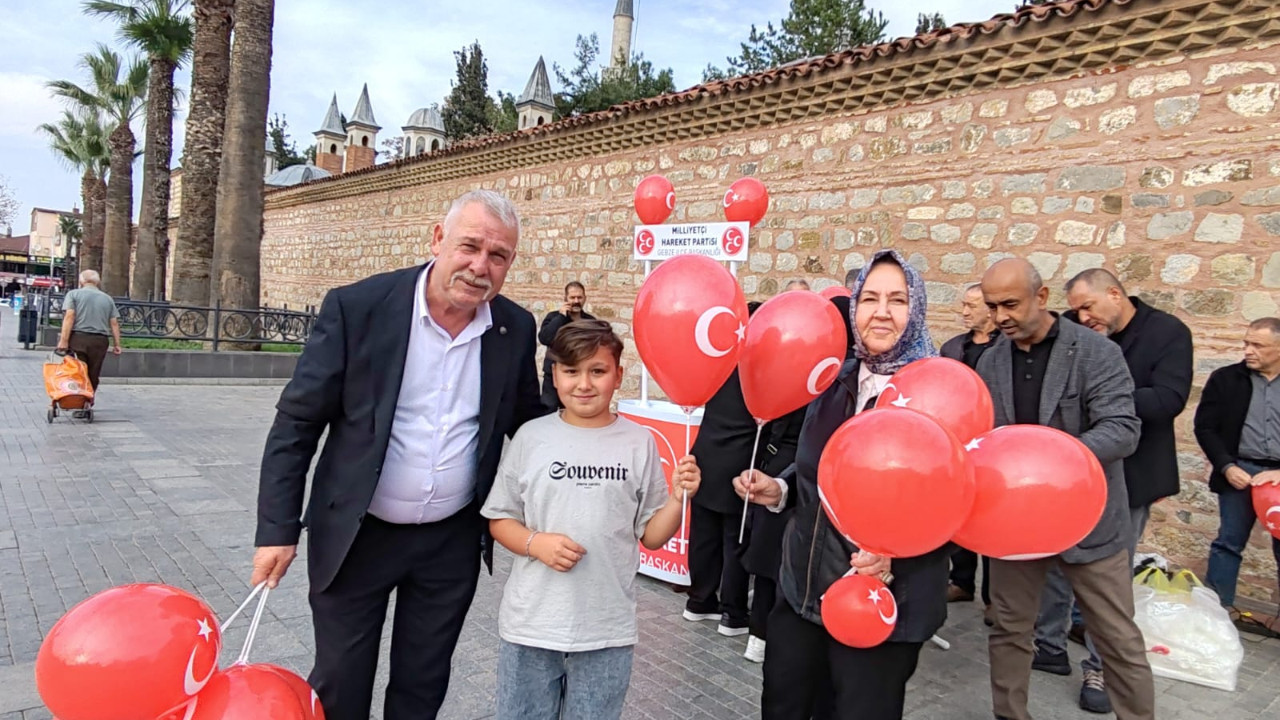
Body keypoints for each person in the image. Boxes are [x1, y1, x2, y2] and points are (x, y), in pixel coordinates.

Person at [251, 190, 546, 720]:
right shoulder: (359, 308)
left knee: (423, 683)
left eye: (498, 256)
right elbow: (297, 422)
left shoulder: (514, 328)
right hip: (357, 534)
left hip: (450, 541)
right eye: (469, 246)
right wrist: (277, 529)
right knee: (341, 681)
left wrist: (599, 442)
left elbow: (529, 424)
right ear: (437, 238)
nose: (481, 266)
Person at [735, 249, 951, 720]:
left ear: (917, 309)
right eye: (870, 298)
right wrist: (782, 488)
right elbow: (820, 465)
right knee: (783, 704)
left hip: (885, 605)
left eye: (897, 300)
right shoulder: (836, 377)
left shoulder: (941, 392)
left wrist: (896, 553)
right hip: (803, 591)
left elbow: (958, 503)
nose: (881, 311)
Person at [482, 319, 701, 720]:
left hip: (606, 627)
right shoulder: (531, 437)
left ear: (618, 376)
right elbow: (500, 519)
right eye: (571, 371)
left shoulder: (639, 442)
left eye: (597, 371)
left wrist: (677, 499)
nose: (584, 384)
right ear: (554, 375)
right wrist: (537, 544)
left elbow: (651, 536)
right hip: (531, 624)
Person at [975, 259, 1153, 720]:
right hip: (1014, 527)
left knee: (1117, 637)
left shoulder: (1096, 352)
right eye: (993, 307)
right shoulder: (991, 360)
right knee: (1010, 630)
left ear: (1043, 296)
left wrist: (1052, 459)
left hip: (1091, 523)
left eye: (1010, 304)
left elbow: (1123, 429)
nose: (1000, 317)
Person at [1032, 268, 1194, 712]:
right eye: (1077, 309)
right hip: (1073, 471)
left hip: (1134, 472)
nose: (1082, 317)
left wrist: (1105, 397)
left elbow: (1168, 399)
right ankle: (1047, 644)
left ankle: (1101, 667)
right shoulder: (1070, 331)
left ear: (1116, 294)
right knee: (1056, 562)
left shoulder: (1167, 333)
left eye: (1089, 306)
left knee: (1111, 579)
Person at [682, 302, 806, 661]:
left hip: (706, 456)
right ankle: (733, 614)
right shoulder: (766, 371)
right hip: (740, 465)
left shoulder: (720, 364)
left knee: (704, 538)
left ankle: (699, 600)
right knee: (735, 542)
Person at [1194, 316, 1280, 638]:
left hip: (1279, 476)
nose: (1247, 350)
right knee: (1228, 542)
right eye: (1246, 343)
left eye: (1257, 345)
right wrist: (1227, 466)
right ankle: (1215, 613)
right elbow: (1205, 427)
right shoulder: (1226, 379)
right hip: (1239, 471)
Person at [938, 283, 999, 609]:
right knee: (958, 516)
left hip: (990, 446)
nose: (963, 311)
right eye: (962, 305)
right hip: (956, 443)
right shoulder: (952, 348)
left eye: (971, 306)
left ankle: (993, 597)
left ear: (990, 309)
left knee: (989, 521)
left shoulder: (1004, 350)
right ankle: (961, 581)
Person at [56, 269, 122, 400]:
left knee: (78, 371)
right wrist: (117, 344)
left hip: (78, 339)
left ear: (81, 281)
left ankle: (78, 399)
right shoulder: (107, 299)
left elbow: (70, 316)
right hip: (99, 341)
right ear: (97, 282)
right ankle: (88, 400)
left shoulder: (73, 294)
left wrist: (63, 340)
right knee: (93, 372)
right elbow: (114, 323)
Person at [538, 281, 594, 410]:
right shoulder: (553, 318)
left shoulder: (590, 322)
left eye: (579, 297)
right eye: (572, 297)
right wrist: (561, 317)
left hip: (578, 374)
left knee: (573, 409)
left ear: (584, 298)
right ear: (565, 299)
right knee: (549, 409)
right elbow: (545, 338)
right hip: (554, 373)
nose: (576, 301)